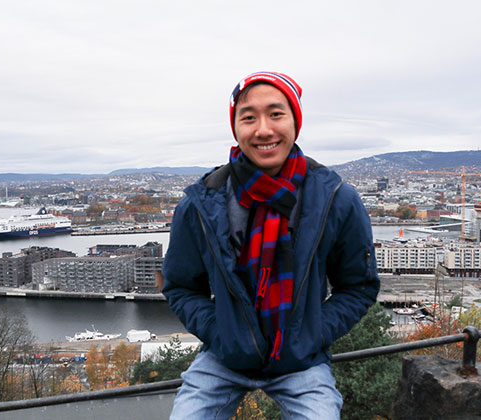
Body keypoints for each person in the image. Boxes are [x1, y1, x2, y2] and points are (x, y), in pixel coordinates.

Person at [161, 71, 380, 420]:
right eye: (248, 117)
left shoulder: (335, 198)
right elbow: (182, 287)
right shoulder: (203, 202)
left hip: (300, 360)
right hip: (225, 358)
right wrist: (220, 336)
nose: (263, 130)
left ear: (295, 121)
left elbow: (358, 286)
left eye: (276, 114)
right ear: (235, 126)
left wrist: (313, 334)